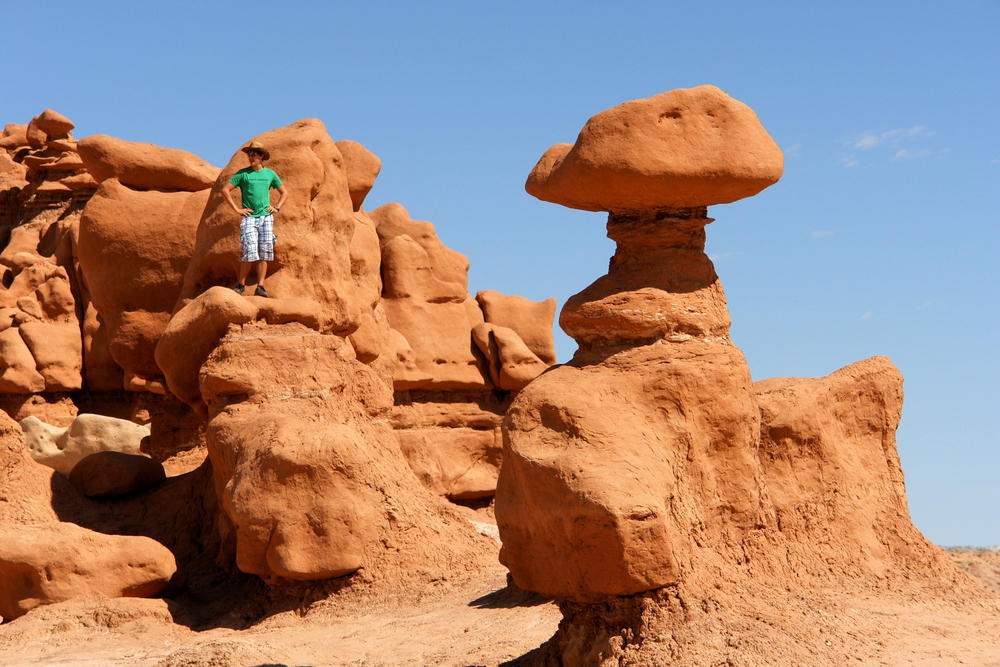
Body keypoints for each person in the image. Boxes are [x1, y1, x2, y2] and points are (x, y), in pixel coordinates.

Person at [221, 141, 288, 297]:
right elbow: (225, 190)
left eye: (254, 154)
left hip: (266, 217)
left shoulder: (270, 174)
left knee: (265, 251)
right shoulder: (242, 174)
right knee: (249, 250)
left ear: (261, 156)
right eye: (249, 155)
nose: (250, 157)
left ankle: (261, 286)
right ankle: (241, 284)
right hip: (249, 218)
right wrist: (237, 209)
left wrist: (276, 207)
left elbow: (284, 192)